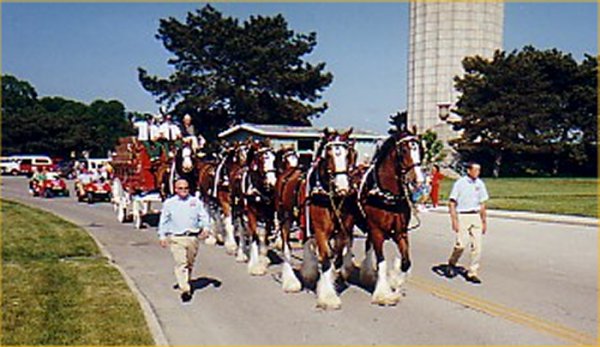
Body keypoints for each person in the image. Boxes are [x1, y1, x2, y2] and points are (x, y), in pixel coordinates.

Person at [158, 178, 211, 303]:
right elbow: (164, 221)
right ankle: (185, 289)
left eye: (186, 188)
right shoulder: (169, 203)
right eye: (180, 188)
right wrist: (162, 236)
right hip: (176, 237)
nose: (183, 191)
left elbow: (203, 216)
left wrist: (206, 228)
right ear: (175, 189)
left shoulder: (195, 202)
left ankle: (185, 280)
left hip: (192, 237)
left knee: (189, 262)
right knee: (181, 262)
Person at [444, 161, 489, 284]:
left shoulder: (480, 184)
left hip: (475, 216)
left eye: (479, 170)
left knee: (477, 247)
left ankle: (472, 272)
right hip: (463, 215)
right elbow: (452, 203)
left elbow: (482, 204)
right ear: (469, 171)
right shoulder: (460, 183)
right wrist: (454, 220)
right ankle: (452, 263)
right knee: (461, 245)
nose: (477, 173)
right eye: (475, 170)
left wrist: (484, 221)